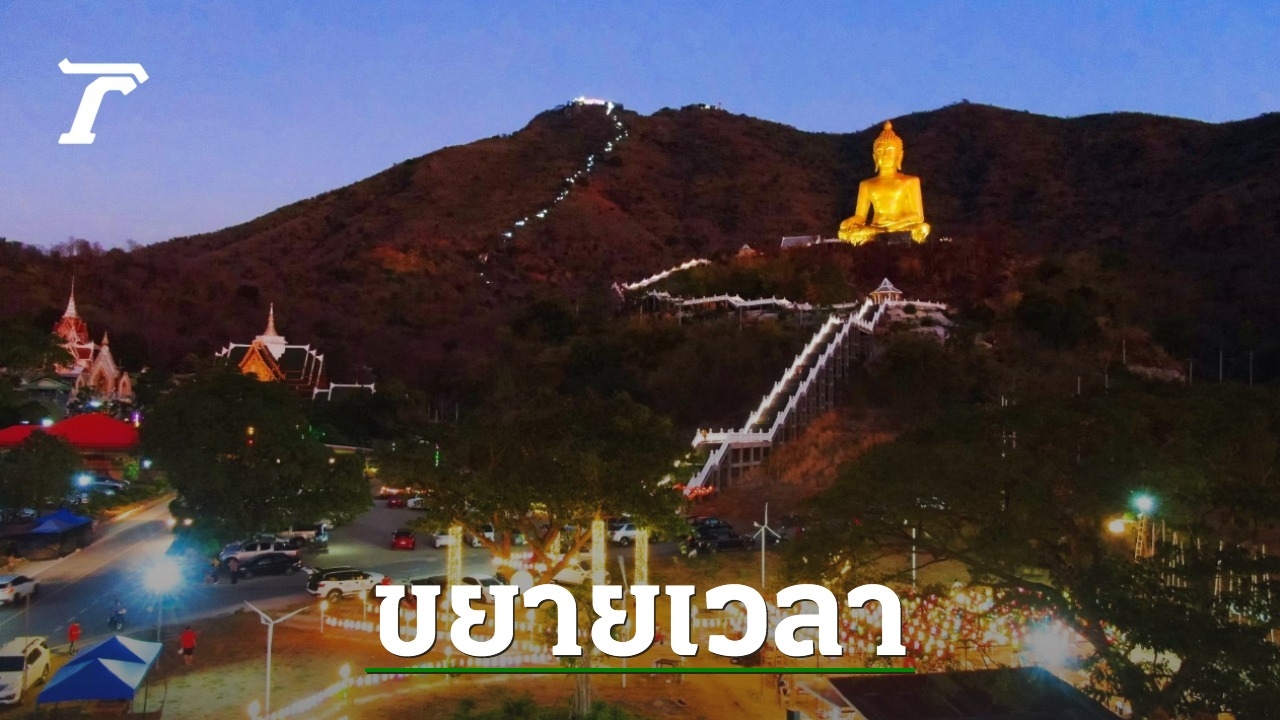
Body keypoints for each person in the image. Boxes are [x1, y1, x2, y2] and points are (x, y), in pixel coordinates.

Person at [837, 121, 931, 245]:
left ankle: (888, 233)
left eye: (890, 151)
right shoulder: (866, 184)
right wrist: (848, 222)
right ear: (875, 157)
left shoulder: (910, 181)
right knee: (846, 230)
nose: (885, 156)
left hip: (900, 226)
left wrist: (895, 222)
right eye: (880, 152)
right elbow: (860, 217)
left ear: (899, 155)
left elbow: (918, 216)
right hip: (876, 228)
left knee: (923, 227)